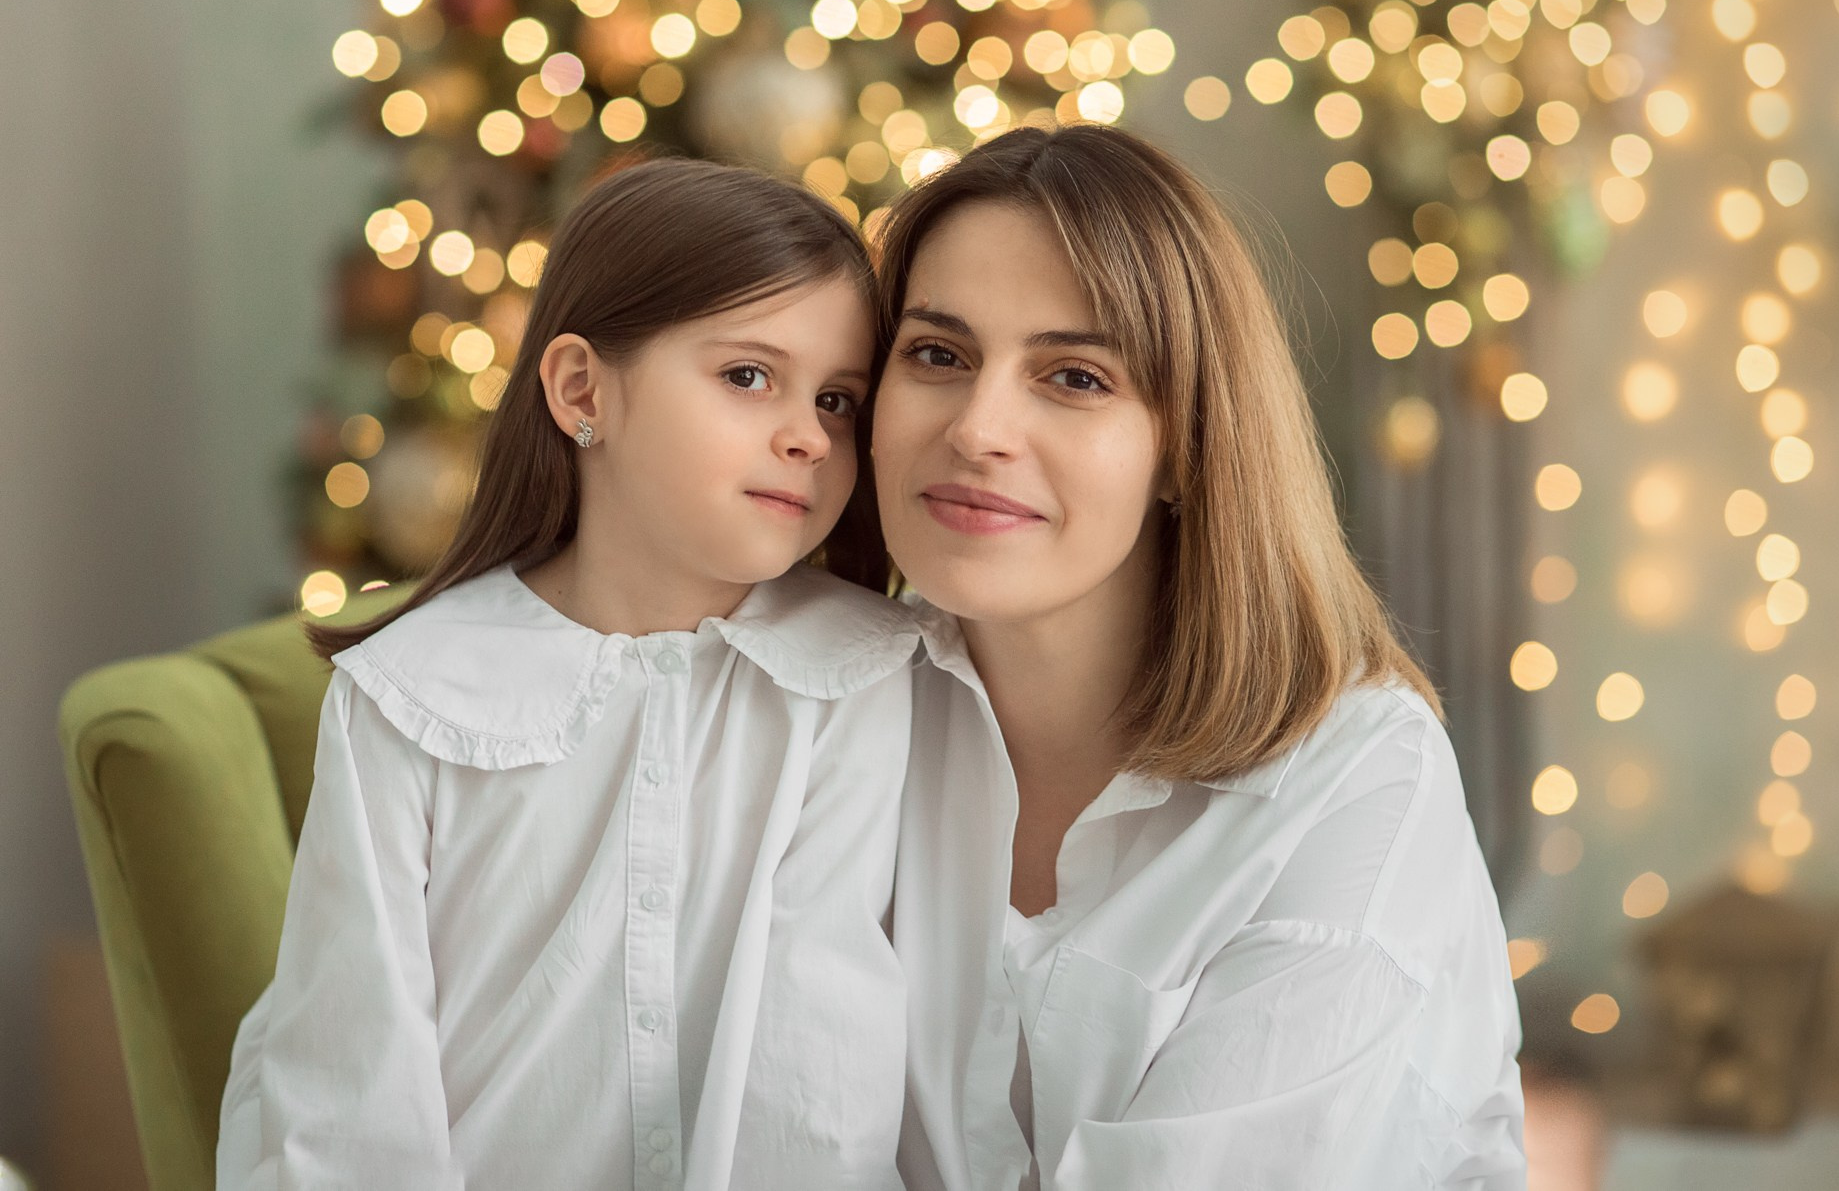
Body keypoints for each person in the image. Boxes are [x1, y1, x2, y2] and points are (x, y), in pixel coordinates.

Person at [217, 159, 917, 1190]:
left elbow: (819, 1084)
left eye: (840, 399)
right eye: (747, 375)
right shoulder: (407, 696)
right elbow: (353, 1075)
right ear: (583, 389)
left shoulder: (865, 680)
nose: (807, 434)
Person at [874, 124, 1525, 1190]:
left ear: (1183, 445)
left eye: (1074, 376)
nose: (978, 427)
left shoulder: (1354, 779)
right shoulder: (820, 711)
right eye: (937, 355)